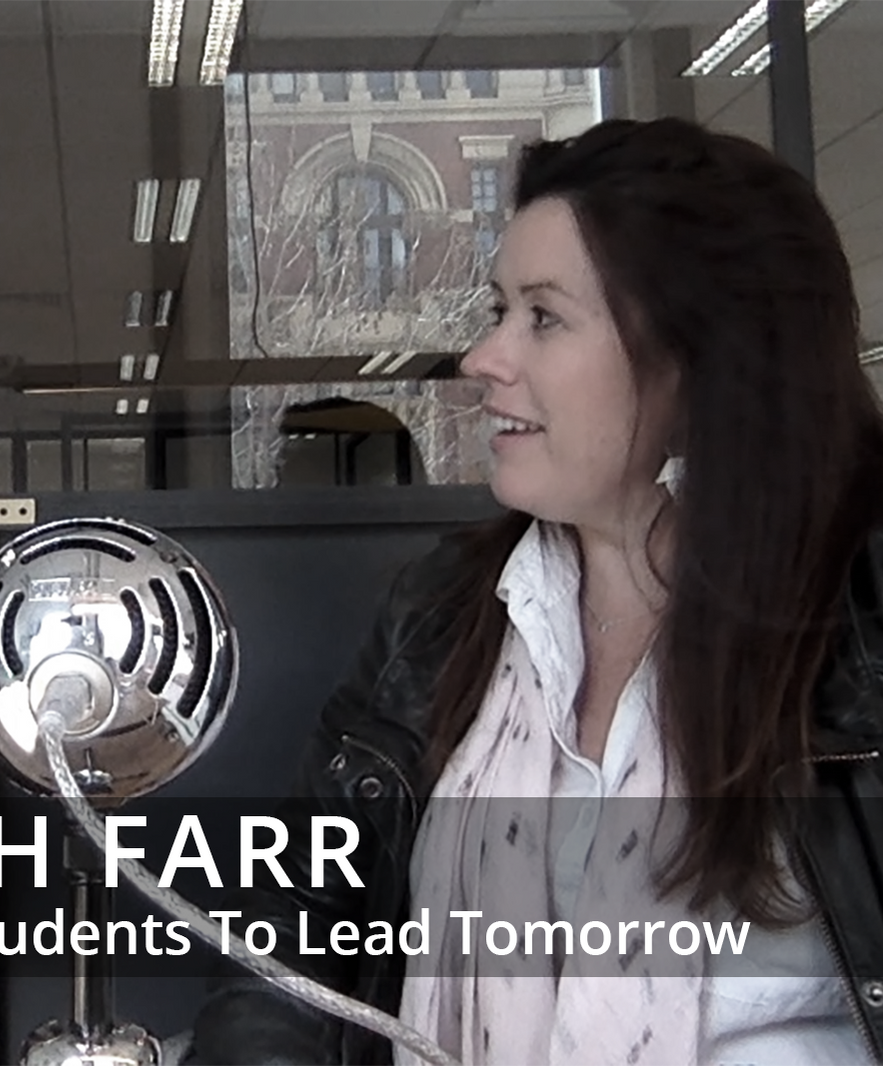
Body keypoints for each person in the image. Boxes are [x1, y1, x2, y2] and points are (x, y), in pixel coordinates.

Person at [191, 117, 883, 1065]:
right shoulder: (440, 618)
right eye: (498, 310)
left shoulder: (864, 634)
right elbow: (288, 940)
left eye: (544, 317)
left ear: (701, 362)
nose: (485, 358)